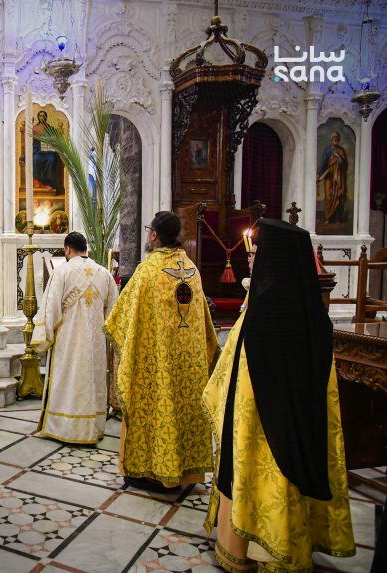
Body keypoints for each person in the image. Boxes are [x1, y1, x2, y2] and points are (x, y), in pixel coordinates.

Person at [202, 219, 355, 572]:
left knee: (263, 484)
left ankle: (252, 552)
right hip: (293, 426)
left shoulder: (267, 307)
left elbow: (245, 369)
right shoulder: (310, 309)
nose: (251, 259)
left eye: (257, 253)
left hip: (262, 428)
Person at [105, 211, 218, 493]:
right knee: (184, 411)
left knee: (156, 411)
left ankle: (155, 473)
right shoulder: (192, 269)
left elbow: (121, 319)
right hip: (189, 367)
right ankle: (187, 472)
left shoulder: (148, 271)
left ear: (154, 235)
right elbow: (205, 326)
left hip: (156, 366)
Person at [34, 232, 118, 444]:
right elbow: (114, 315)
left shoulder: (62, 272)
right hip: (95, 345)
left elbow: (51, 310)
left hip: (69, 343)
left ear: (67, 250)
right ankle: (93, 427)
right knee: (92, 381)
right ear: (85, 249)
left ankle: (68, 428)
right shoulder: (104, 274)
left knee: (69, 380)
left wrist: (44, 337)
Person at [317, 131, 348, 226]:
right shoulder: (328, 151)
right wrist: (318, 174)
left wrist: (339, 157)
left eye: (337, 139)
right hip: (329, 177)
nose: (335, 140)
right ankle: (328, 218)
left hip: (339, 178)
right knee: (329, 197)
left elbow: (345, 165)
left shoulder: (341, 151)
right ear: (331, 140)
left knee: (338, 197)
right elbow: (323, 164)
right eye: (334, 139)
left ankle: (337, 218)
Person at [32, 110, 64, 193]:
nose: (42, 117)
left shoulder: (50, 128)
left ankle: (49, 182)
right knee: (35, 159)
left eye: (43, 116)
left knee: (52, 159)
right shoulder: (34, 128)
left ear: (46, 117)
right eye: (40, 116)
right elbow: (31, 141)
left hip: (48, 151)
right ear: (38, 117)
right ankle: (39, 182)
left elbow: (56, 137)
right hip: (38, 150)